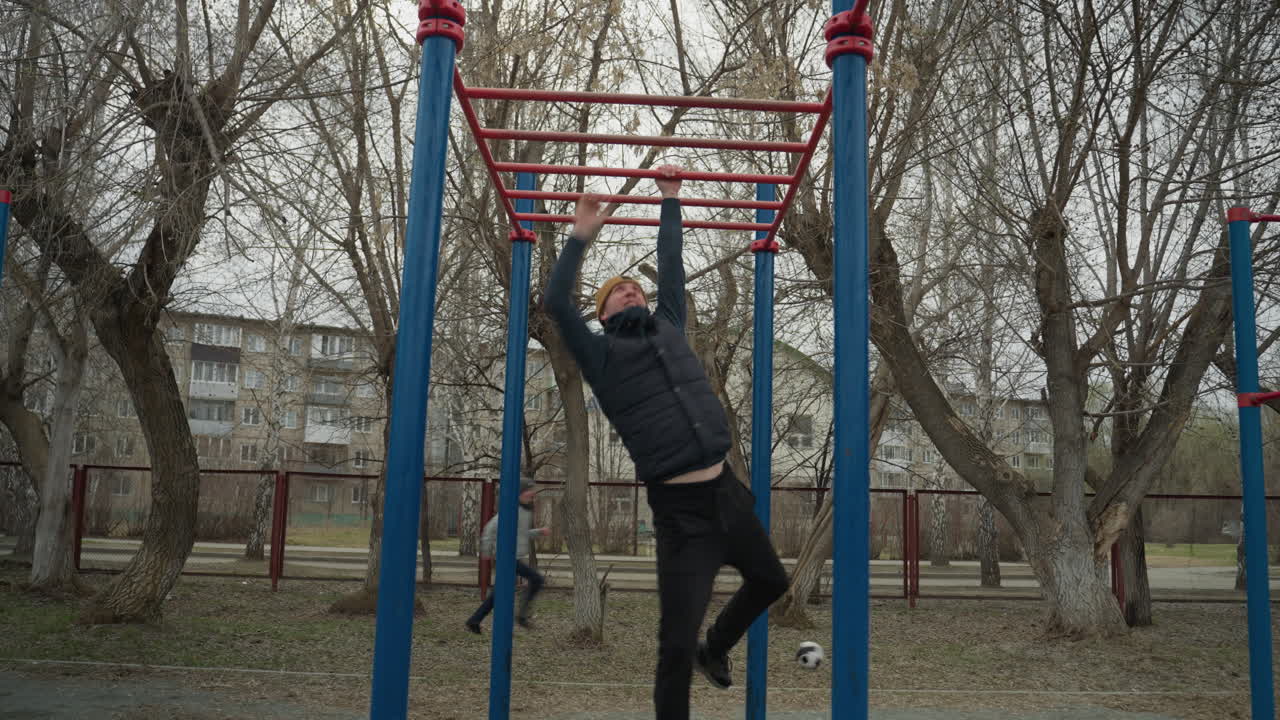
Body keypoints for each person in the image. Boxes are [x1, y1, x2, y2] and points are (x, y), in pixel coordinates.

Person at [544, 165, 789, 720]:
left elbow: (672, 269)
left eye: (635, 288)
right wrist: (582, 233)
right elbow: (557, 305)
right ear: (604, 315)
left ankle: (717, 648)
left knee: (771, 580)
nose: (631, 292)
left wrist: (670, 199)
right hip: (681, 515)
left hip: (726, 490)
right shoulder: (600, 356)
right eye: (618, 293)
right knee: (673, 645)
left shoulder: (670, 324)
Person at [465, 478, 547, 633]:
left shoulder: (525, 511)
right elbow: (490, 529)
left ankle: (474, 620)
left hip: (513, 557)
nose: (533, 493)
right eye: (530, 490)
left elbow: (521, 534)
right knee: (537, 579)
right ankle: (522, 615)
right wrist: (486, 552)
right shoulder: (511, 509)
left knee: (499, 593)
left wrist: (538, 532)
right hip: (507, 558)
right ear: (520, 493)